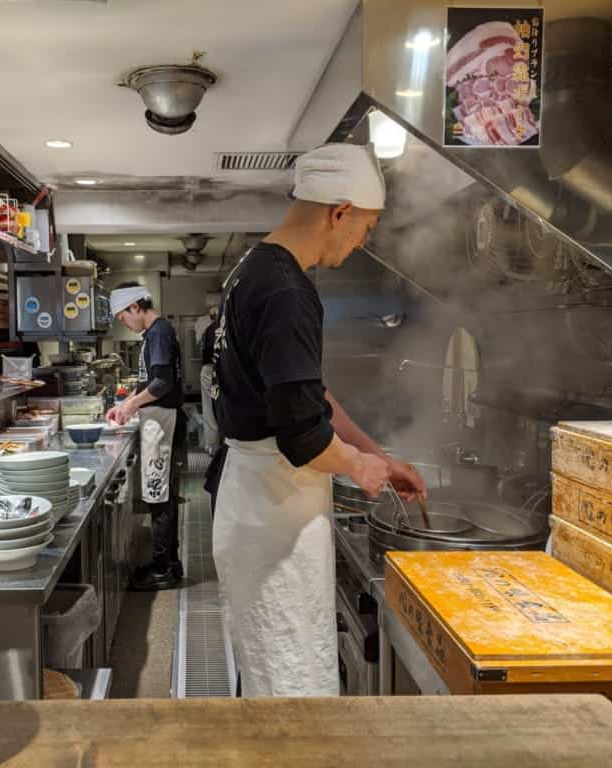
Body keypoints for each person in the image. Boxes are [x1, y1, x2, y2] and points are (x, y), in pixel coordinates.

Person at [209, 143, 427, 697]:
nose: (363, 242)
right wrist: (358, 467)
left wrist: (375, 454)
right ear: (338, 212)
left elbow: (308, 394)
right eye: (365, 227)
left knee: (275, 668)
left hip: (259, 502)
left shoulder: (252, 270)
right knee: (290, 682)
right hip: (274, 508)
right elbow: (303, 436)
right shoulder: (287, 290)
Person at [105, 282, 186, 591]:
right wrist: (126, 405)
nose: (123, 323)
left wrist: (131, 405)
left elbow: (163, 383)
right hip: (158, 421)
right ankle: (169, 564)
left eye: (122, 317)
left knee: (159, 497)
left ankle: (163, 570)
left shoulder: (159, 333)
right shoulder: (154, 333)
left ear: (135, 307)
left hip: (163, 423)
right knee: (160, 496)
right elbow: (149, 381)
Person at [0, 288, 41, 375]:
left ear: (12, 306)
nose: (1, 308)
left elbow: (35, 364)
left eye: (5, 304)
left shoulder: (24, 333)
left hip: (22, 385)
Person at [199, 308, 221, 456]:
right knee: (219, 407)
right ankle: (219, 446)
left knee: (209, 408)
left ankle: (212, 446)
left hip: (208, 370)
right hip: (217, 369)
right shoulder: (222, 329)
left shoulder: (209, 329)